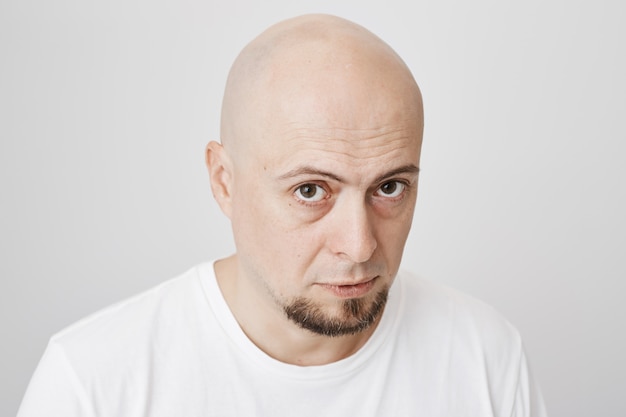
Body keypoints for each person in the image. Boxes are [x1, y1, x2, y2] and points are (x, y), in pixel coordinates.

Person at [17, 14, 547, 416]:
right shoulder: (93, 384)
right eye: (311, 190)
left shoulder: (487, 357)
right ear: (224, 181)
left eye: (390, 187)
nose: (359, 245)